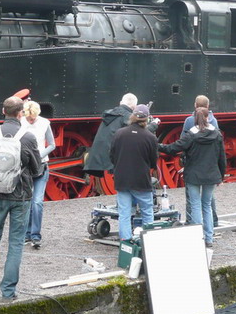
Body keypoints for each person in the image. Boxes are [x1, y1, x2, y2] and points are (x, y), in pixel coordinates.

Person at [0, 96, 42, 301]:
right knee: (15, 242)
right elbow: (37, 168)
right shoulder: (28, 136)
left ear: (3, 112)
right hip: (20, 195)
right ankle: (8, 291)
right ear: (20, 113)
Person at [159, 107, 226, 248]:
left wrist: (157, 145)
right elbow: (222, 158)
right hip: (211, 175)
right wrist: (221, 176)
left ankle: (198, 238)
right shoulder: (217, 134)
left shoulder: (191, 135)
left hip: (194, 175)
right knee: (207, 205)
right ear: (208, 118)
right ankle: (209, 238)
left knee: (195, 205)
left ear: (195, 119)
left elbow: (173, 148)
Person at [110, 104, 158, 241]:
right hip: (141, 180)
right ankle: (148, 241)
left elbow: (112, 156)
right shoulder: (150, 137)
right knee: (147, 212)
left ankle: (126, 242)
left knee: (124, 213)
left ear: (133, 116)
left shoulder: (119, 133)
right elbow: (153, 161)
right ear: (147, 119)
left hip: (122, 179)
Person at [21, 100, 56, 249]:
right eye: (29, 118)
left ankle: (35, 235)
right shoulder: (21, 122)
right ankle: (26, 233)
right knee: (27, 201)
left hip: (41, 165)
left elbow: (52, 144)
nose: (31, 120)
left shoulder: (44, 123)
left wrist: (39, 155)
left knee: (37, 202)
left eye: (33, 117)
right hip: (26, 167)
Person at [181, 95, 220, 226]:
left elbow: (183, 142)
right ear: (208, 106)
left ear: (195, 105)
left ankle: (192, 224)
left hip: (193, 165)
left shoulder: (189, 121)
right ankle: (213, 223)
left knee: (194, 201)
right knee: (207, 201)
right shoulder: (214, 122)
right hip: (209, 166)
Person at [84, 93, 138, 177]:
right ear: (134, 107)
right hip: (118, 158)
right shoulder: (129, 117)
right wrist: (152, 126)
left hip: (103, 155)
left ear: (120, 103)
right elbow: (140, 135)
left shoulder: (109, 114)